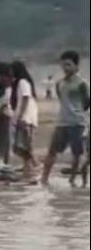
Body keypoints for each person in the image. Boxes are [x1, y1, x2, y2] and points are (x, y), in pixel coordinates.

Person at [40, 50, 89, 186]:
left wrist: (77, 112)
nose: (65, 68)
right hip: (62, 122)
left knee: (76, 153)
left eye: (68, 65)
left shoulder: (82, 84)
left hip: (77, 123)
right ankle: (44, 178)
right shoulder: (59, 84)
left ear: (76, 66)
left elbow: (86, 103)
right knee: (52, 151)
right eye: (63, 65)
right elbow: (62, 100)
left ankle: (72, 179)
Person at [11, 60, 38, 176]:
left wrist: (21, 116)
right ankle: (28, 165)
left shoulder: (22, 82)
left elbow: (25, 98)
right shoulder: (22, 82)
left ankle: (35, 164)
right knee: (23, 144)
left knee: (24, 144)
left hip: (26, 117)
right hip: (25, 116)